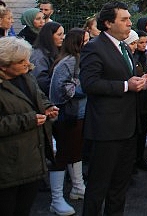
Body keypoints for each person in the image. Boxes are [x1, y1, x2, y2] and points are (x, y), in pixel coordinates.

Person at [79, 2, 147, 215]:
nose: (130, 23)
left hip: (128, 128)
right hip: (106, 130)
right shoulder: (94, 47)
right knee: (98, 188)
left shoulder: (123, 47)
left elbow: (124, 77)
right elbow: (90, 84)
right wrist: (126, 85)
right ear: (108, 23)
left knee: (119, 187)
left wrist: (140, 81)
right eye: (124, 19)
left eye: (130, 19)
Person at [0, 37, 58, 216]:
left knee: (24, 209)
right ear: (4, 65)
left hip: (32, 160)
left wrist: (47, 106)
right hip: (7, 167)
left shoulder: (26, 76)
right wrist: (28, 120)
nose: (28, 63)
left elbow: (38, 96)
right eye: (21, 61)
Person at [48, 28, 89, 216]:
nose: (89, 44)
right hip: (69, 115)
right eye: (85, 40)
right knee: (64, 154)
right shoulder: (69, 61)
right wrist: (88, 87)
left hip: (79, 114)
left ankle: (78, 187)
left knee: (76, 151)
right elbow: (62, 88)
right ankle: (56, 199)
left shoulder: (79, 59)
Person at [133, 29, 147, 173]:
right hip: (136, 100)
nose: (143, 45)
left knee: (143, 132)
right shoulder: (132, 57)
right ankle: (132, 161)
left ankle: (140, 158)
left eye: (145, 42)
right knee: (135, 132)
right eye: (140, 42)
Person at [30, 21, 64, 96]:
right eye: (59, 34)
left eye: (63, 34)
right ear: (49, 36)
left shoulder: (54, 51)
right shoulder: (38, 55)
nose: (62, 37)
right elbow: (40, 80)